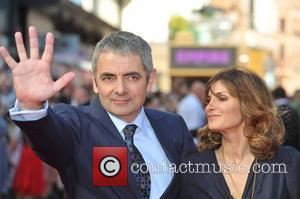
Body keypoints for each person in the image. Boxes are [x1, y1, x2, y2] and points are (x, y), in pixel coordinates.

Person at [0, 26, 195, 199]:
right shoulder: (76, 125)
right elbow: (50, 135)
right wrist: (31, 105)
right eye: (108, 78)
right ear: (94, 82)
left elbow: (194, 187)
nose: (120, 89)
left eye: (132, 77)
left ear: (150, 79)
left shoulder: (173, 126)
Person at [181, 68, 300, 199]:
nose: (209, 107)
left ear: (249, 103)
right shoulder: (193, 168)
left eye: (222, 98)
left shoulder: (288, 161)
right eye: (208, 100)